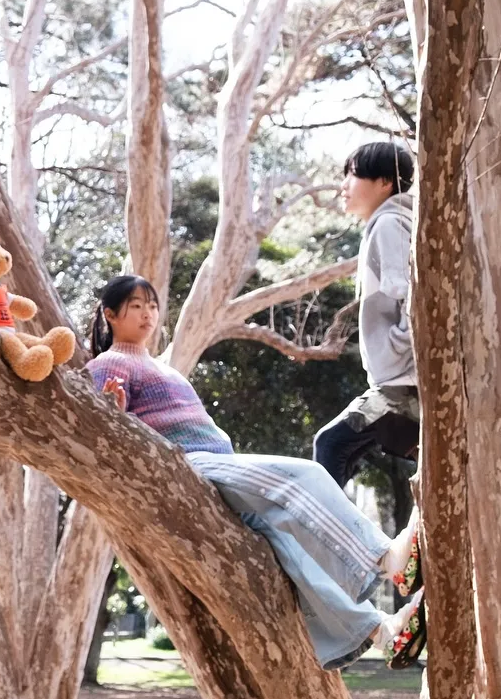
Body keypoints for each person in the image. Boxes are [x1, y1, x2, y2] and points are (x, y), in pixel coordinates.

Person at [87, 276, 423, 670]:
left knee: (294, 557)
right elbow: (103, 432)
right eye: (135, 306)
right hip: (191, 469)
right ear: (110, 315)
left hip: (219, 467)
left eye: (152, 305)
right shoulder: (108, 363)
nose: (147, 314)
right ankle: (386, 558)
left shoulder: (160, 366)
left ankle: (384, 633)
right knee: (305, 477)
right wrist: (112, 408)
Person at [312, 140, 419, 489]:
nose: (343, 186)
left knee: (331, 444)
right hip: (404, 380)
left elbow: (410, 295)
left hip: (402, 387)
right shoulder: (395, 221)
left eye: (353, 175)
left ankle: (332, 541)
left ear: (384, 182)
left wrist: (397, 345)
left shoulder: (390, 223)